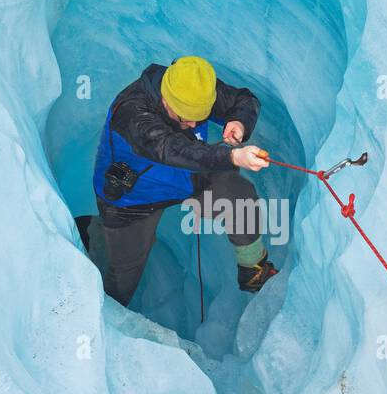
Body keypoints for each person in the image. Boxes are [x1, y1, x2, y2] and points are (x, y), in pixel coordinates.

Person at [91, 56, 278, 308]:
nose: (191, 125)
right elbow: (171, 148)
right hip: (132, 200)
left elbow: (244, 100)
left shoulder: (195, 88)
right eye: (184, 118)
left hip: (187, 176)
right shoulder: (133, 112)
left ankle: (253, 270)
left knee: (240, 197)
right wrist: (232, 156)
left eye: (198, 117)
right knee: (125, 273)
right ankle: (106, 316)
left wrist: (239, 122)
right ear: (166, 99)